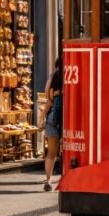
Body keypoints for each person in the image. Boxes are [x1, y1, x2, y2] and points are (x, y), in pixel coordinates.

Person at [42, 57, 64, 191]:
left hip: (52, 118)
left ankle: (48, 180)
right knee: (66, 152)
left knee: (51, 152)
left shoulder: (54, 76)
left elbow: (48, 98)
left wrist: (42, 116)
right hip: (68, 119)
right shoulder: (70, 75)